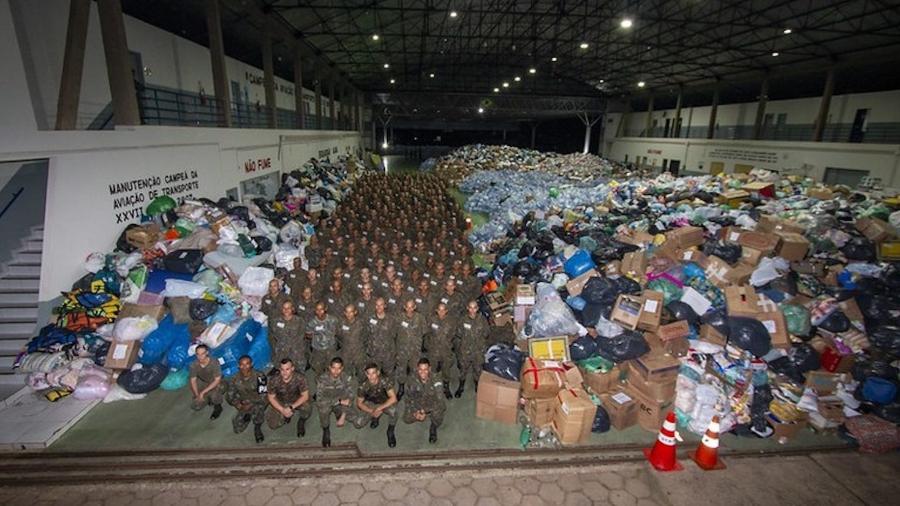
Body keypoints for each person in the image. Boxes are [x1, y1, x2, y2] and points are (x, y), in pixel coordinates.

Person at [353, 363, 399, 447]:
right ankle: (375, 418)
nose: (371, 376)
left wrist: (379, 409)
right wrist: (372, 411)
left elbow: (393, 398)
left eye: (373, 373)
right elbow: (359, 403)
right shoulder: (362, 386)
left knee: (394, 411)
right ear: (366, 374)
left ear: (378, 373)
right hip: (371, 404)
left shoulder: (385, 381)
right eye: (369, 373)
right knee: (358, 424)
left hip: (384, 402)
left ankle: (390, 431)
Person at [403, 358, 446, 444]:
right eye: (420, 369)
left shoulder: (436, 379)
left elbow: (439, 400)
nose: (423, 372)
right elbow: (408, 398)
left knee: (438, 415)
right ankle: (421, 416)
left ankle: (433, 427)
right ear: (417, 369)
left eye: (425, 369)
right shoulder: (411, 380)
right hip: (418, 403)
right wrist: (416, 411)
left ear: (429, 369)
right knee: (406, 419)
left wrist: (424, 411)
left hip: (432, 403)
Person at [265, 358, 312, 437]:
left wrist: (291, 407)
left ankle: (301, 420)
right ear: (280, 369)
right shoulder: (273, 380)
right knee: (272, 425)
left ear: (292, 368)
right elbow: (271, 397)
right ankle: (285, 417)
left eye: (287, 369)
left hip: (296, 400)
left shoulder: (300, 378)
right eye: (282, 369)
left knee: (307, 408)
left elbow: (305, 396)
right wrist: (282, 410)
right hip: (281, 401)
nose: (284, 372)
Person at [226, 355, 267, 443]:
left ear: (252, 364)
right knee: (238, 428)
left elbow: (264, 395)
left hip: (258, 401)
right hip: (244, 403)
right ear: (238, 366)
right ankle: (248, 414)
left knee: (258, 410)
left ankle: (257, 427)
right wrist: (238, 405)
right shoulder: (234, 379)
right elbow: (229, 396)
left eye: (247, 364)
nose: (244, 367)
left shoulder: (260, 376)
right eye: (242, 365)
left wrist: (251, 404)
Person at [315, 357, 355, 447]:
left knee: (356, 421)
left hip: (340, 402)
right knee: (323, 410)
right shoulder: (322, 379)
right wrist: (339, 401)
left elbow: (350, 398)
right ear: (329, 367)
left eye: (339, 368)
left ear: (342, 368)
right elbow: (320, 399)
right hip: (328, 402)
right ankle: (326, 430)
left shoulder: (347, 378)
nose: (336, 371)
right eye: (333, 368)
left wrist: (343, 416)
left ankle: (339, 414)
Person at [455, 300, 489, 398]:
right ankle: (461, 386)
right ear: (467, 308)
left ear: (477, 309)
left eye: (474, 308)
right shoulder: (462, 320)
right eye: (470, 307)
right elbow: (459, 333)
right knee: (463, 370)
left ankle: (477, 386)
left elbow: (486, 333)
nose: (472, 310)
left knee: (477, 369)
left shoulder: (482, 320)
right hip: (465, 350)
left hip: (478, 350)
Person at [395, 299, 427, 400]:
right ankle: (401, 388)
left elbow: (424, 331)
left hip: (415, 350)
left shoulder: (420, 318)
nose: (409, 309)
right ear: (404, 307)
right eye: (407, 307)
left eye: (411, 307)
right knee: (401, 369)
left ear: (415, 307)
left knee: (414, 369)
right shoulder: (399, 317)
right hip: (402, 349)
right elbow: (394, 332)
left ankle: (413, 388)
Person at [426, 303, 456, 399]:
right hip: (433, 350)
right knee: (432, 371)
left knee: (446, 370)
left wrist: (447, 344)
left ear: (446, 311)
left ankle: (446, 388)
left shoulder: (451, 321)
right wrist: (429, 346)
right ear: (436, 310)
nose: (441, 312)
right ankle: (432, 388)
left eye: (443, 310)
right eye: (439, 309)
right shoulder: (431, 320)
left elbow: (453, 334)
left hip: (445, 350)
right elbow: (427, 333)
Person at [269, 300, 306, 371]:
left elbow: (302, 336)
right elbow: (273, 336)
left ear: (292, 309)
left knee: (298, 370)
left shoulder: (299, 321)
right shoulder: (275, 321)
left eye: (288, 308)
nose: (286, 310)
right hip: (281, 350)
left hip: (296, 351)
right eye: (284, 308)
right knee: (282, 370)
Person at [365, 297, 397, 381]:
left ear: (385, 306)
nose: (379, 307)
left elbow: (394, 334)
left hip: (388, 353)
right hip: (374, 353)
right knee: (374, 376)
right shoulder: (369, 318)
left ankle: (389, 392)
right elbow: (366, 333)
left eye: (381, 305)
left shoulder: (392, 319)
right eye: (377, 305)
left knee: (389, 375)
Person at [189, 344, 224, 419]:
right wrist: (197, 395)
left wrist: (202, 393)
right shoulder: (193, 365)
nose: (200, 356)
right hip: (203, 381)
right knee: (196, 406)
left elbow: (217, 380)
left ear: (207, 353)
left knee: (214, 395)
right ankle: (207, 399)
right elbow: (193, 380)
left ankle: (218, 407)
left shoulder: (214, 362)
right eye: (198, 354)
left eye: (202, 354)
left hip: (215, 382)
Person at [305, 302, 339, 374]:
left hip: (330, 349)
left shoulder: (333, 320)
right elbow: (308, 334)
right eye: (317, 310)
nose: (319, 312)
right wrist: (317, 335)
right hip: (317, 350)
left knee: (331, 369)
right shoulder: (312, 322)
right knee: (318, 369)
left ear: (325, 309)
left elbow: (338, 331)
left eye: (321, 309)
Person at [337, 303, 366, 380]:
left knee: (361, 372)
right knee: (346, 373)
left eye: (351, 312)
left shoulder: (361, 323)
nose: (349, 314)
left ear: (355, 312)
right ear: (344, 312)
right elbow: (339, 335)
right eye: (347, 312)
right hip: (346, 352)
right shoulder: (341, 323)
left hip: (358, 352)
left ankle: (362, 387)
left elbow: (366, 335)